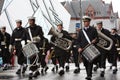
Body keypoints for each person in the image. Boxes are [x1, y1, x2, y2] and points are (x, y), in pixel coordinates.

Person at [76, 16, 98, 80]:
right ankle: (88, 73)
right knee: (85, 63)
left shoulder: (93, 30)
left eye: (86, 22)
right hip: (83, 49)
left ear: (89, 22)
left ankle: (89, 75)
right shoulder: (81, 31)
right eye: (84, 22)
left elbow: (97, 39)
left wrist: (95, 41)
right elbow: (78, 41)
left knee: (90, 62)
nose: (85, 23)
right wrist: (79, 48)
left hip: (91, 49)